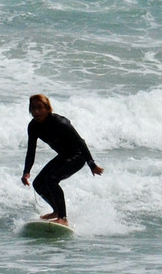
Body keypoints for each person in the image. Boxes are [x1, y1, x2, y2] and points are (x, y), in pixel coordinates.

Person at [20, 93, 103, 226]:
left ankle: (63, 218)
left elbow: (80, 142)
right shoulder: (33, 126)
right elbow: (31, 150)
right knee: (38, 183)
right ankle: (57, 211)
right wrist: (26, 172)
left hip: (77, 156)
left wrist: (92, 165)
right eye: (33, 108)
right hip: (64, 156)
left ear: (47, 108)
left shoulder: (60, 122)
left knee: (52, 179)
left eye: (39, 107)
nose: (36, 111)